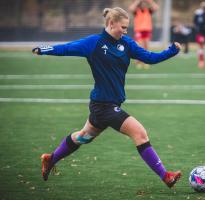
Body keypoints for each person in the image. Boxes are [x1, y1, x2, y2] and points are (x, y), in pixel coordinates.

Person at [32, 7, 182, 188]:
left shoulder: (127, 43)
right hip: (104, 106)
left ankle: (51, 158)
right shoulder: (94, 43)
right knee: (140, 134)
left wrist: (171, 51)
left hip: (103, 105)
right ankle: (166, 176)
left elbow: (150, 58)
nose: (126, 31)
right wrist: (43, 49)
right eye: (123, 27)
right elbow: (67, 48)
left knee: (83, 137)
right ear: (111, 23)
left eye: (128, 28)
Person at [129, 0, 159, 69]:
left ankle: (145, 62)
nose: (144, 5)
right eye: (142, 4)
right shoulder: (136, 11)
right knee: (140, 46)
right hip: (139, 30)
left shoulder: (148, 10)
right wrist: (137, 1)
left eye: (145, 4)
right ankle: (138, 62)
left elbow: (156, 7)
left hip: (147, 30)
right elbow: (131, 8)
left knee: (146, 47)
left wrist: (149, 1)